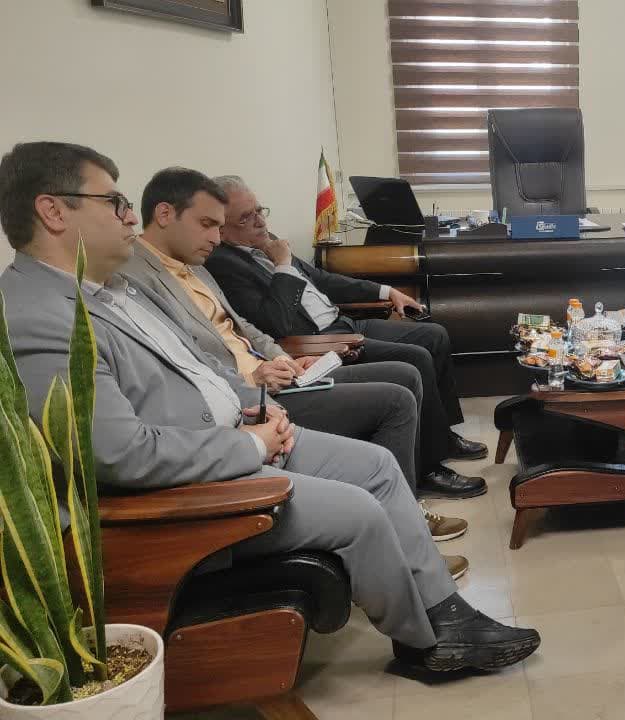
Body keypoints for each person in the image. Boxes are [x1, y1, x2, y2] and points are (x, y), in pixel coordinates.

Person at [0, 141, 539, 673]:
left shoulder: (111, 289)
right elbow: (120, 454)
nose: (128, 216)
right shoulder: (41, 318)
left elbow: (203, 365)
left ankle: (446, 611)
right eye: (114, 202)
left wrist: (252, 406)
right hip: (191, 483)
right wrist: (247, 445)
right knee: (359, 511)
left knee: (375, 466)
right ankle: (426, 643)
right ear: (53, 211)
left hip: (239, 429)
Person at [122, 166, 467, 542]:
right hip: (263, 386)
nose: (256, 222)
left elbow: (246, 328)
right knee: (401, 387)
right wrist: (255, 375)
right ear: (165, 214)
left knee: (419, 354)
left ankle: (426, 468)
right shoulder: (181, 270)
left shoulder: (199, 267)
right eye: (216, 223)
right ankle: (406, 520)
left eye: (258, 211)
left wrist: (281, 359)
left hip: (293, 360)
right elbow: (250, 332)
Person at [203, 175, 486, 498]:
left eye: (259, 210)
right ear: (222, 229)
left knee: (434, 335)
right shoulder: (225, 265)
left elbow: (322, 279)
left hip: (344, 322)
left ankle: (442, 437)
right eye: (246, 217)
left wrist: (386, 291)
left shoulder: (267, 241)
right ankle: (428, 470)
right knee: (416, 358)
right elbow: (274, 321)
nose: (260, 221)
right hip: (319, 341)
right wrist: (282, 265)